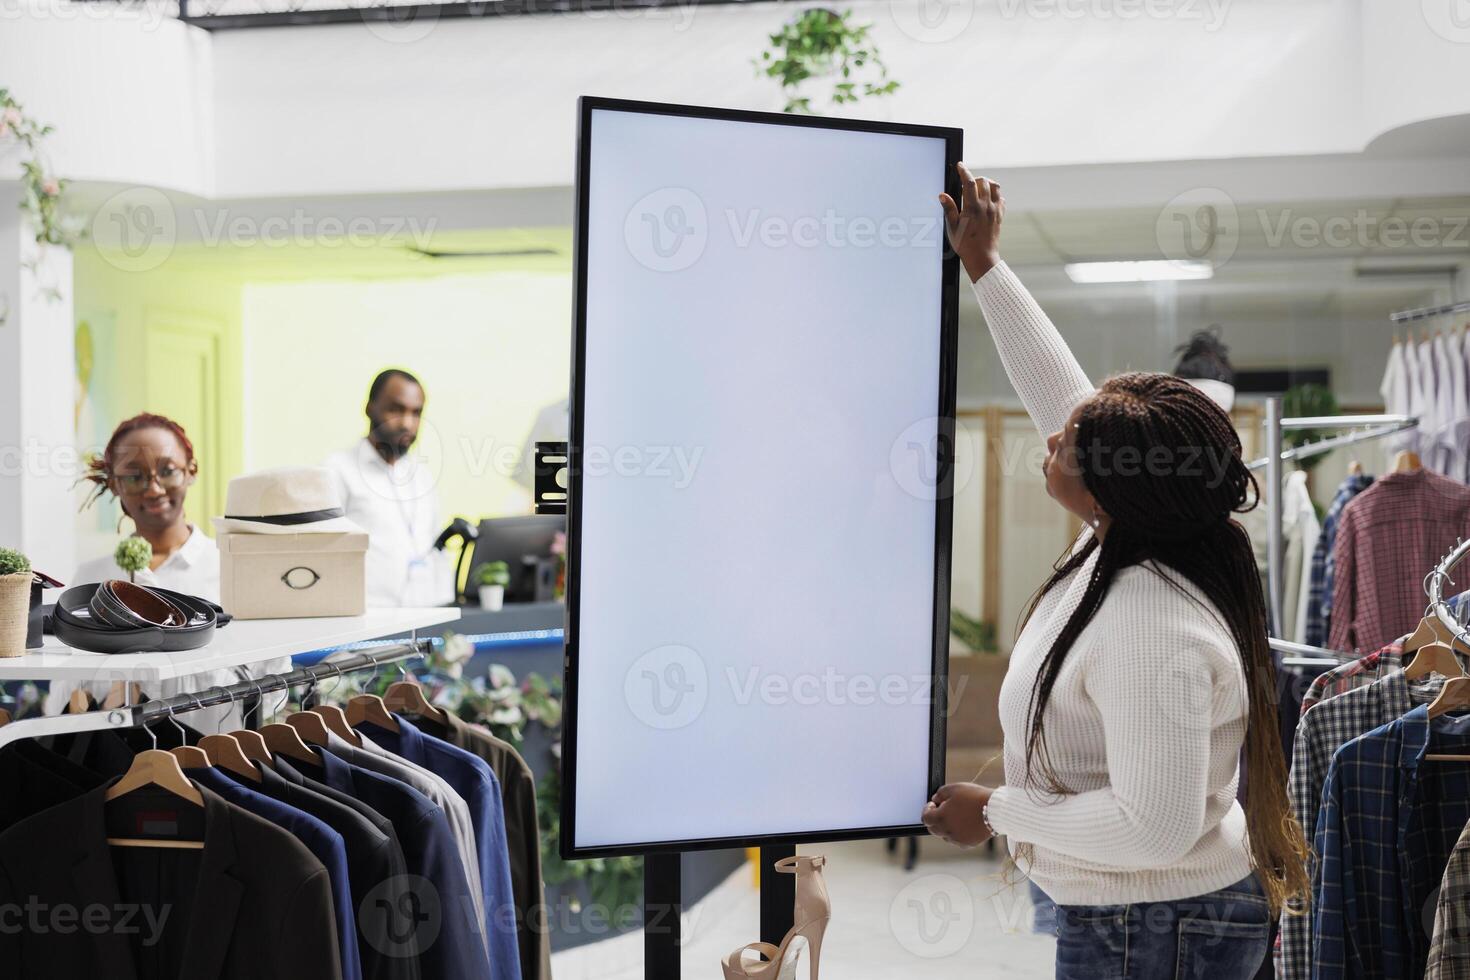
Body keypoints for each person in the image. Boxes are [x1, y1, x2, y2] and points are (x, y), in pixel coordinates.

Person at [921, 167, 1307, 979]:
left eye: (1071, 442)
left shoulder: (1148, 620)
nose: (1051, 438)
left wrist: (995, 810)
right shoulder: (1127, 536)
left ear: (1112, 481)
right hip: (1142, 913)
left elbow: (1155, 829)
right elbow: (1058, 394)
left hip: (1157, 920)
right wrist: (984, 265)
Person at [51, 413, 277, 733]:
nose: (154, 489)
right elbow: (65, 686)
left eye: (167, 471)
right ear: (114, 484)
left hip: (216, 754)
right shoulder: (90, 579)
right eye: (134, 476)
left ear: (191, 472)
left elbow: (267, 680)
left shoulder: (230, 567)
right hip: (113, 766)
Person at [324, 368, 452, 608]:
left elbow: (437, 553)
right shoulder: (338, 471)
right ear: (370, 408)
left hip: (423, 622)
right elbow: (320, 559)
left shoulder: (421, 475)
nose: (407, 423)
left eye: (416, 413)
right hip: (367, 625)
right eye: (396, 409)